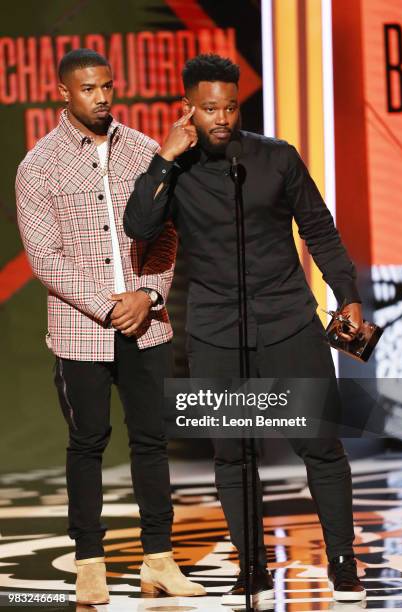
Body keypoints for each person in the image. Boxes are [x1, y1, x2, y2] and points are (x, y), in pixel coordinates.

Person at [124, 53, 367, 606]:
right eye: (210, 108)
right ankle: (252, 567)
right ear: (189, 107)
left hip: (288, 325)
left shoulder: (274, 158)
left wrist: (346, 295)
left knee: (321, 447)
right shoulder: (175, 169)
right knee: (233, 454)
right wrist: (165, 156)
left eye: (231, 106)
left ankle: (343, 561)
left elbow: (319, 230)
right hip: (214, 332)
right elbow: (139, 226)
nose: (222, 117)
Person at [15, 49, 205, 605]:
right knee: (88, 442)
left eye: (107, 86)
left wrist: (148, 295)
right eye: (89, 89)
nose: (101, 97)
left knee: (152, 441)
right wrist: (108, 306)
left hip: (146, 325)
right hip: (81, 330)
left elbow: (166, 234)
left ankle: (159, 560)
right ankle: (90, 564)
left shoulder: (145, 151)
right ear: (63, 94)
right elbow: (46, 259)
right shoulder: (39, 165)